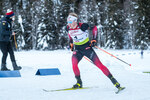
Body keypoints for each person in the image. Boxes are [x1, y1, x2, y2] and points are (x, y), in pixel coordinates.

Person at [66, 12, 124, 90]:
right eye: (68, 22)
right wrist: (71, 43)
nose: (69, 24)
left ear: (75, 21)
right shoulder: (68, 28)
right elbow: (70, 35)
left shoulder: (82, 26)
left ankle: (115, 82)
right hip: (78, 49)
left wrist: (94, 39)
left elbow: (94, 28)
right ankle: (79, 82)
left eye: (70, 22)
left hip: (87, 48)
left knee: (99, 65)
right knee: (74, 64)